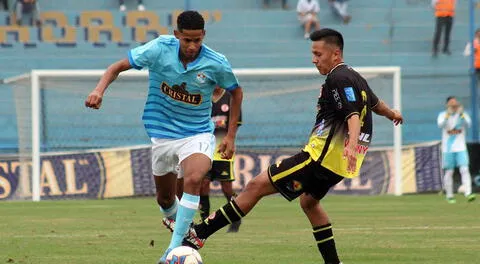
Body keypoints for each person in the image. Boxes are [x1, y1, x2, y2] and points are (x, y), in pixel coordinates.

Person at [165, 28, 403, 264]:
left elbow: (351, 114)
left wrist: (351, 143)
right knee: (309, 203)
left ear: (336, 54)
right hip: (336, 166)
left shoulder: (337, 78)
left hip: (318, 159)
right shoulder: (355, 77)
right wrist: (392, 113)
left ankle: (199, 234)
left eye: (318, 54)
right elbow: (375, 103)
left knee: (256, 186)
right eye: (313, 54)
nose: (314, 59)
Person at [84, 10, 243, 264]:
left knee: (193, 178)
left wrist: (231, 136)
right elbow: (117, 67)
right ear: (177, 35)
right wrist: (98, 89)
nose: (192, 46)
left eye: (197, 40)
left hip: (197, 133)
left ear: (203, 36)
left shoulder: (216, 62)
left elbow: (236, 92)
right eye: (186, 40)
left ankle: (171, 252)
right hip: (162, 134)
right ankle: (181, 228)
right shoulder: (159, 48)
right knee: (166, 199)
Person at [199, 86, 242, 233]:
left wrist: (231, 140)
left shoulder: (229, 97)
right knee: (203, 185)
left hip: (223, 149)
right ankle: (204, 221)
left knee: (226, 187)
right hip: (205, 149)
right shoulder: (203, 97)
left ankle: (236, 218)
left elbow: (235, 124)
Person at [437, 96, 476, 203]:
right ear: (447, 105)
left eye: (455, 103)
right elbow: (441, 125)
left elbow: (468, 124)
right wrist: (448, 114)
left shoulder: (462, 114)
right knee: (449, 172)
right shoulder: (442, 115)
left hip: (461, 148)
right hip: (448, 149)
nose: (454, 105)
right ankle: (449, 195)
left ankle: (468, 193)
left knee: (464, 169)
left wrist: (461, 114)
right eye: (451, 103)